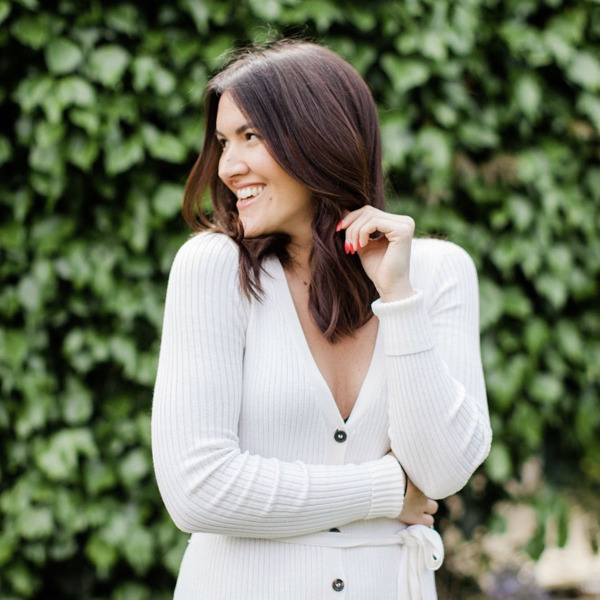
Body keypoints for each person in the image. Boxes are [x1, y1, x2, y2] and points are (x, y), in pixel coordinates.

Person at [152, 39, 492, 600]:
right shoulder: (212, 269)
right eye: (223, 142)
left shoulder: (437, 272)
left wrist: (399, 298)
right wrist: (387, 490)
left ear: (319, 138)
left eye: (251, 136)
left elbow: (442, 472)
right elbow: (199, 490)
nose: (229, 167)